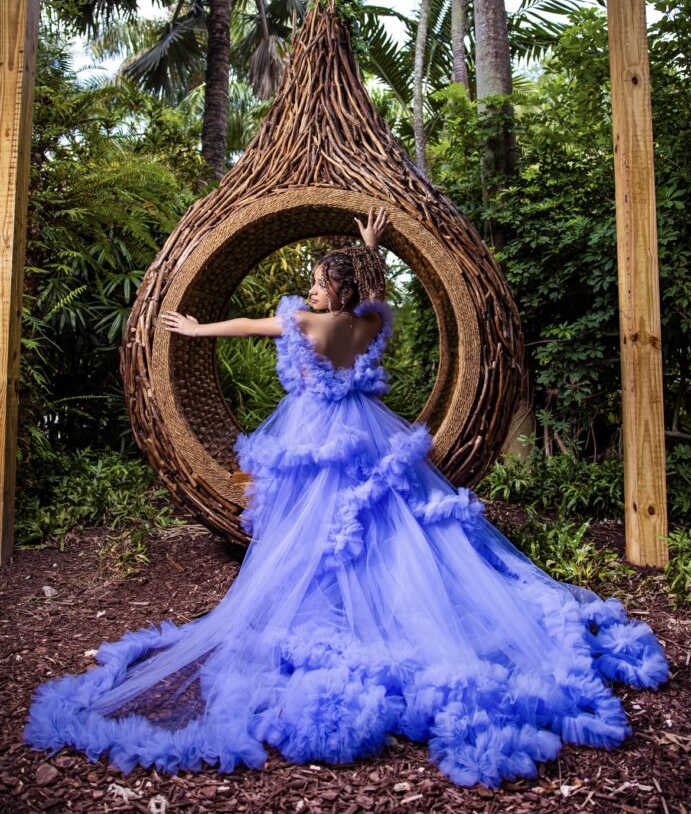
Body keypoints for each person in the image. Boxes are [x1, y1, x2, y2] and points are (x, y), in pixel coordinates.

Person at [24, 206, 669, 790]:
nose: (308, 287)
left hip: (313, 439)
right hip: (362, 432)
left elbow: (252, 325)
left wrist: (195, 331)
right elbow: (378, 293)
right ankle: (369, 598)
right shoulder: (365, 324)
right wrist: (369, 247)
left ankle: (333, 607)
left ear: (336, 290)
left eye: (317, 280)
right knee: (383, 524)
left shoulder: (307, 322)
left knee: (315, 532)